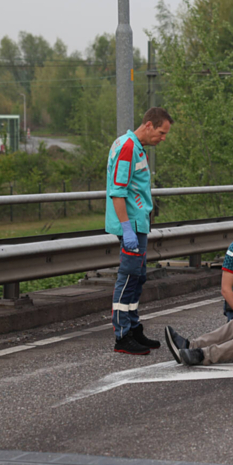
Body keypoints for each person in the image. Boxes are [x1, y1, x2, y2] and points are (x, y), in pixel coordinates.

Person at [106, 107, 173, 355]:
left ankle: (133, 328)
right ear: (148, 125)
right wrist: (127, 228)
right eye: (161, 132)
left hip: (137, 223)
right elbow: (118, 191)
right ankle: (122, 336)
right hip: (131, 224)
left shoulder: (136, 147)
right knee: (128, 277)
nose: (163, 138)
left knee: (138, 277)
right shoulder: (127, 148)